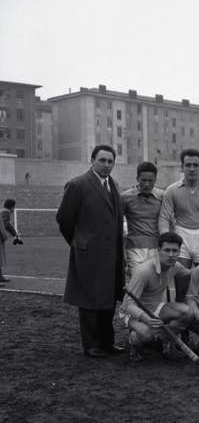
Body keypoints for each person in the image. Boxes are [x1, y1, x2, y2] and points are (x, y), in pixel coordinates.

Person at [56, 144, 125, 358]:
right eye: (102, 160)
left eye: (110, 161)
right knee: (89, 300)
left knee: (109, 298)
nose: (106, 165)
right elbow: (64, 219)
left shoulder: (113, 185)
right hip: (89, 254)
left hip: (111, 255)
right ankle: (91, 344)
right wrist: (80, 243)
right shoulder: (77, 185)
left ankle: (107, 342)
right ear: (92, 161)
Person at [119, 232, 193, 362]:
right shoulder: (143, 271)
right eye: (167, 250)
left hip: (156, 307)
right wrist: (146, 318)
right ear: (158, 250)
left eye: (175, 251)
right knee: (147, 334)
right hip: (132, 313)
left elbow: (190, 273)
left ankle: (162, 341)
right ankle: (133, 341)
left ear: (179, 252)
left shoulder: (175, 266)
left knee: (187, 312)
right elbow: (127, 305)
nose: (171, 254)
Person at [158, 148, 199, 268]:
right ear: (182, 167)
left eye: (195, 165)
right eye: (188, 165)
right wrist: (167, 240)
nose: (192, 169)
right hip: (181, 235)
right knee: (181, 275)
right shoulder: (171, 190)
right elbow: (164, 217)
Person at [121, 162, 164, 277]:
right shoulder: (125, 197)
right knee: (137, 282)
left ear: (155, 180)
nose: (147, 184)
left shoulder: (162, 196)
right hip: (134, 248)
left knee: (154, 283)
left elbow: (168, 221)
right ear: (137, 179)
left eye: (150, 181)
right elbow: (117, 224)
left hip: (156, 248)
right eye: (143, 180)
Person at [0, 199, 23, 283]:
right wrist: (5, 237)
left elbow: (8, 226)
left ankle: (0, 276)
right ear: (12, 207)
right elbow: (2, 226)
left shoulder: (2, 211)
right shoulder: (6, 212)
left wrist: (16, 235)